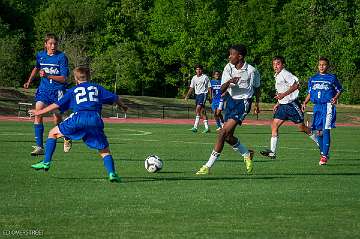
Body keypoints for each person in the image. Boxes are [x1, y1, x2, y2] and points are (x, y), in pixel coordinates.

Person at [29, 66, 128, 182]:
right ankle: (112, 173)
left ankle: (46, 162)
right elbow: (115, 97)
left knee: (53, 133)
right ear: (89, 77)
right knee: (104, 150)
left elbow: (56, 105)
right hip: (95, 119)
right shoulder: (97, 88)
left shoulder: (73, 90)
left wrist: (39, 112)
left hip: (79, 118)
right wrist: (123, 106)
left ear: (76, 79)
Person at [196, 44, 261, 175]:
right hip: (231, 101)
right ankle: (247, 154)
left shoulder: (252, 71)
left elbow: (257, 88)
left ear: (240, 56)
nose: (229, 56)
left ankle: (207, 166)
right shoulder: (228, 67)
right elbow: (221, 89)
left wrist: (256, 104)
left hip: (243, 103)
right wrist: (230, 81)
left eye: (232, 54)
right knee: (227, 136)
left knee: (222, 133)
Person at [260, 56, 318, 159]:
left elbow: (296, 86)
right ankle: (272, 152)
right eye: (274, 64)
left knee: (302, 128)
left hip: (292, 105)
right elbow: (282, 90)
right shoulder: (277, 75)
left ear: (283, 65)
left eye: (278, 64)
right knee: (274, 125)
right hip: (283, 106)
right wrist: (278, 102)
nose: (275, 66)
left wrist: (283, 95)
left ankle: (320, 142)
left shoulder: (285, 74)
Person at [23, 33, 72, 156]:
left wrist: (48, 75)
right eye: (50, 43)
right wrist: (29, 81)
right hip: (44, 90)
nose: (53, 46)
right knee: (38, 112)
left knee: (57, 118)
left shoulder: (61, 57)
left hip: (58, 91)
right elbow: (36, 67)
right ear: (45, 44)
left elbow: (64, 78)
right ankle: (40, 146)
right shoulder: (40, 55)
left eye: (55, 43)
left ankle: (66, 135)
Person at [302, 57, 342, 165]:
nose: (321, 66)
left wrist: (335, 97)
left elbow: (339, 89)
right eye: (320, 65)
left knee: (326, 130)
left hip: (328, 106)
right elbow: (310, 93)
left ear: (327, 66)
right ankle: (324, 152)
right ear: (317, 66)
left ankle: (324, 156)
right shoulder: (313, 79)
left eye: (324, 65)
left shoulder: (332, 78)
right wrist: (305, 102)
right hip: (317, 107)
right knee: (318, 132)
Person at [184, 64, 211, 133]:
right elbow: (191, 87)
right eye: (197, 69)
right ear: (195, 70)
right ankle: (207, 128)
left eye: (199, 69)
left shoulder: (205, 77)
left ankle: (195, 127)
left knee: (198, 109)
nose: (198, 70)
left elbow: (209, 87)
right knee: (202, 112)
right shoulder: (194, 78)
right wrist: (187, 96)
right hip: (197, 95)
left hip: (203, 94)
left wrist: (211, 96)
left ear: (202, 70)